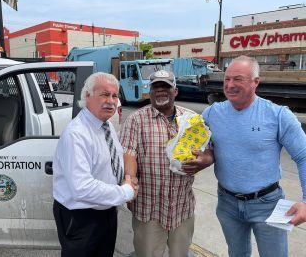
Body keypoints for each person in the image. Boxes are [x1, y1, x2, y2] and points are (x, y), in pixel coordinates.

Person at [201, 56, 306, 257]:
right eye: (226, 79)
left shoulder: (278, 115)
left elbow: (304, 156)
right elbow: (195, 142)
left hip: (268, 204)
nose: (230, 85)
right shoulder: (212, 113)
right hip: (227, 203)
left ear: (255, 82)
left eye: (238, 79)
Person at [120, 70, 213, 257]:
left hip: (182, 206)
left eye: (166, 87)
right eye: (156, 87)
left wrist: (206, 160)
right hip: (149, 209)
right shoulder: (136, 120)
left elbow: (208, 149)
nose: (161, 91)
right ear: (150, 92)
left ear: (175, 91)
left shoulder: (191, 119)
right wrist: (130, 182)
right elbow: (128, 153)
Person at [52, 72, 137, 257]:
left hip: (106, 211)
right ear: (87, 96)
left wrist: (128, 177)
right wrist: (125, 192)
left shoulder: (106, 125)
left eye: (115, 95)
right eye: (104, 94)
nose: (111, 101)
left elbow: (113, 160)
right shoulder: (77, 133)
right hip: (81, 217)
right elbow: (81, 188)